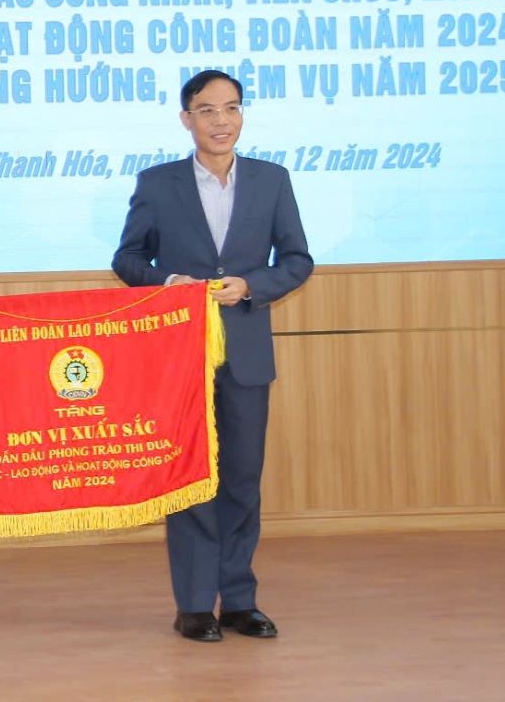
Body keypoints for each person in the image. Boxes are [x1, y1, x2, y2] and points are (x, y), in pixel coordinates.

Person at [112, 70, 313, 643]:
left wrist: (250, 286)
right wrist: (170, 279)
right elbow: (127, 260)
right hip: (180, 355)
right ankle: (196, 603)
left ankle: (240, 601)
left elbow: (297, 261)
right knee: (191, 478)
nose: (220, 120)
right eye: (206, 110)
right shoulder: (158, 183)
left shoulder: (272, 180)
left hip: (246, 352)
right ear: (186, 119)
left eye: (231, 108)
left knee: (243, 479)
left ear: (241, 115)